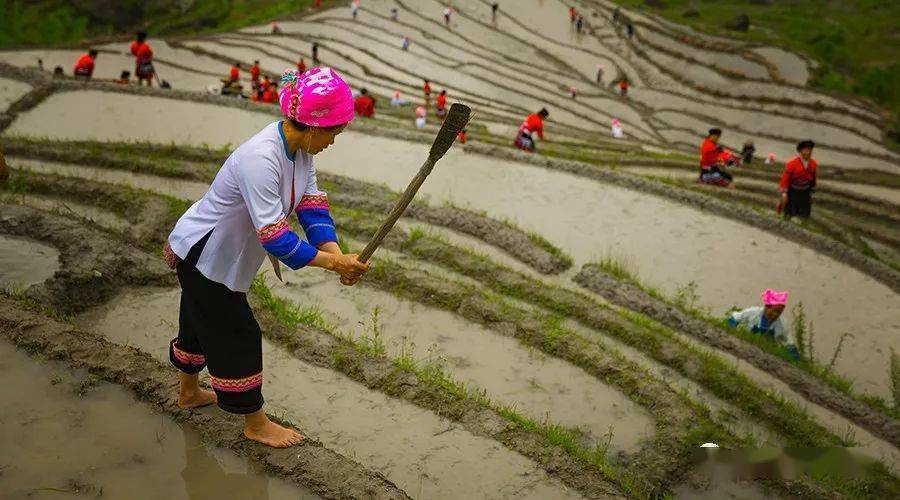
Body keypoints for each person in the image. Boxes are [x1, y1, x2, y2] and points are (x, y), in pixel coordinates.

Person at [163, 67, 369, 449]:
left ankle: (188, 393)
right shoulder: (262, 157)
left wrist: (338, 255)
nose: (333, 141)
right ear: (311, 126)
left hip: (222, 254)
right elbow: (274, 236)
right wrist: (333, 265)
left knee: (197, 320)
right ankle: (255, 423)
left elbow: (311, 206)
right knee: (236, 331)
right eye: (333, 133)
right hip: (205, 251)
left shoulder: (300, 152)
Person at [728, 289, 800, 360]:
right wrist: (732, 331)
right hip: (747, 344)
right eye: (774, 311)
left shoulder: (783, 324)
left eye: (779, 312)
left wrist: (796, 358)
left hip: (768, 353)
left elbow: (789, 343)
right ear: (767, 306)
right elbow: (735, 317)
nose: (776, 314)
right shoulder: (753, 312)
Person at [778, 140, 817, 219]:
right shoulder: (792, 164)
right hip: (793, 191)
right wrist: (784, 193)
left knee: (804, 213)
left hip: (805, 192)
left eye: (810, 150)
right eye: (806, 150)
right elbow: (785, 178)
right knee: (790, 212)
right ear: (801, 151)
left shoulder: (813, 164)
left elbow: (813, 180)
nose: (808, 152)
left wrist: (812, 194)